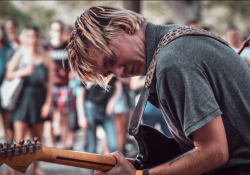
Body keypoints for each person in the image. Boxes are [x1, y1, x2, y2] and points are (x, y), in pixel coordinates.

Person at [67, 6, 250, 175]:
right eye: (109, 72)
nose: (120, 73)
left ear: (124, 27)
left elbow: (214, 152)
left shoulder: (172, 62)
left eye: (111, 58)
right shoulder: (172, 41)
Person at [6, 26, 53, 175]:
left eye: (35, 36)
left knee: (37, 139)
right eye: (30, 36)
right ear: (25, 37)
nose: (33, 39)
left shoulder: (45, 56)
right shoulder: (20, 54)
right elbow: (9, 75)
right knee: (18, 138)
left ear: (38, 38)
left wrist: (48, 103)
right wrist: (23, 72)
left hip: (39, 99)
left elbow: (51, 83)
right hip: (22, 99)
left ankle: (36, 168)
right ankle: (12, 169)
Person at [76, 76, 122, 174]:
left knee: (114, 145)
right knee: (92, 147)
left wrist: (112, 102)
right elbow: (80, 95)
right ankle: (92, 173)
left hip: (107, 111)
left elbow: (119, 87)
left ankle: (118, 171)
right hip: (91, 109)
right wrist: (81, 116)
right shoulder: (87, 71)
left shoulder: (109, 71)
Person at [44, 21, 70, 149]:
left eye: (59, 29)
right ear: (50, 31)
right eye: (54, 30)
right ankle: (51, 147)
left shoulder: (68, 47)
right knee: (49, 117)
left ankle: (64, 147)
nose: (57, 32)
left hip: (65, 87)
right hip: (49, 86)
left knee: (65, 117)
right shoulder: (46, 48)